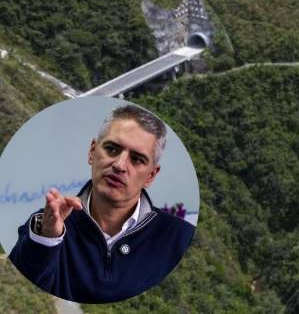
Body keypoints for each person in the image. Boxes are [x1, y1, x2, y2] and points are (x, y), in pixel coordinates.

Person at [9, 105, 195, 303]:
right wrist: (47, 241)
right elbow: (21, 294)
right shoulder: (48, 226)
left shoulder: (179, 237)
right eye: (112, 149)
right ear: (92, 151)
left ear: (151, 175)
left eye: (137, 159)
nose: (119, 165)